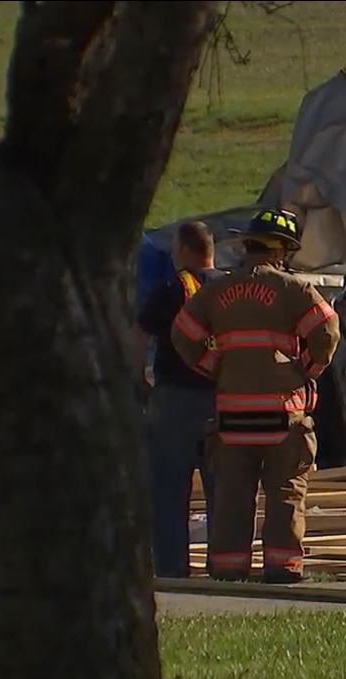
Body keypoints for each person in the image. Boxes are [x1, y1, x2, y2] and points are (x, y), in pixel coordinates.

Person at [170, 208, 340, 583]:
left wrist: (216, 366)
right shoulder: (293, 290)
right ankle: (283, 568)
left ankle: (229, 571)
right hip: (282, 412)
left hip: (233, 415)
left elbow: (182, 333)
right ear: (281, 251)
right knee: (284, 492)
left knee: (231, 495)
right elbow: (326, 330)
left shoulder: (217, 290)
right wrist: (305, 370)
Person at [137, 221, 226, 578]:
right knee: (224, 491)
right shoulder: (232, 288)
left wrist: (138, 380)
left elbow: (138, 334)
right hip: (224, 401)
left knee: (169, 494)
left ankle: (172, 571)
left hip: (174, 401)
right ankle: (224, 565)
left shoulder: (173, 288)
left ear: (187, 251)